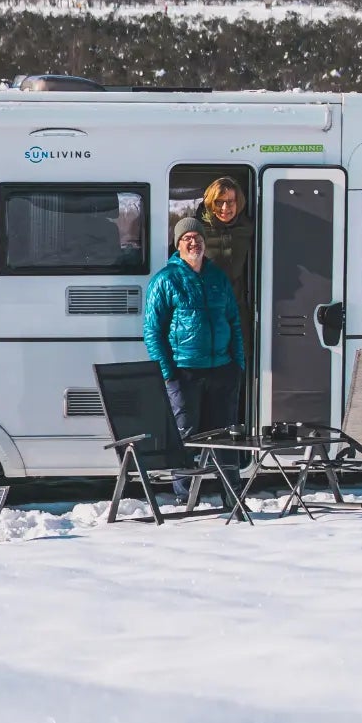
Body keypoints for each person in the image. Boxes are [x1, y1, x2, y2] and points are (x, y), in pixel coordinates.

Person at [144, 216, 245, 500]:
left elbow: (234, 321)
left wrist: (238, 364)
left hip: (222, 369)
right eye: (186, 238)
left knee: (226, 437)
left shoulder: (217, 278)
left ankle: (233, 497)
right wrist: (168, 373)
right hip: (184, 371)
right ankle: (186, 498)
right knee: (186, 436)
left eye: (198, 237)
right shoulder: (165, 280)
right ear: (178, 245)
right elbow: (152, 331)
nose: (193, 242)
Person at [196, 175, 255, 381]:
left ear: (239, 203)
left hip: (236, 309)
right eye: (219, 202)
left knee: (236, 369)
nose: (224, 208)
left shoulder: (248, 228)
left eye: (230, 202)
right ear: (210, 203)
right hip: (205, 310)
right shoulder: (197, 230)